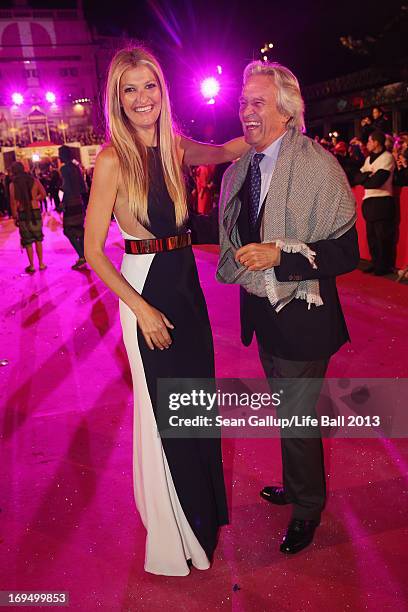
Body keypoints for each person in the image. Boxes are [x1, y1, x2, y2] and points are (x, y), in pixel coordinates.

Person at [84, 46, 249, 576]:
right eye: (129, 89)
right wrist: (143, 311)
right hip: (145, 290)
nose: (141, 98)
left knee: (195, 406)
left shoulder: (176, 147)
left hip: (185, 288)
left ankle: (199, 520)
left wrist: (274, 122)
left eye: (148, 86)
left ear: (162, 90)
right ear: (117, 98)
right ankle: (174, 535)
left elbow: (225, 149)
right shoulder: (112, 158)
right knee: (165, 416)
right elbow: (92, 251)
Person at [216, 61, 359, 555]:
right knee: (288, 414)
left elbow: (346, 252)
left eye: (257, 102)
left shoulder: (318, 167)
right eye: (243, 102)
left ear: (286, 109)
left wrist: (282, 256)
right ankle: (299, 489)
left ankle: (307, 509)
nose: (246, 111)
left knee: (297, 419)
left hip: (303, 316)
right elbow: (235, 235)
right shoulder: (241, 170)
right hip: (264, 311)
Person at [354, 130, 396, 275]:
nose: (367, 144)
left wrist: (367, 177)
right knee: (371, 236)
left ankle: (384, 265)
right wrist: (368, 176)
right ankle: (376, 262)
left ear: (376, 142)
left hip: (382, 200)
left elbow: (377, 181)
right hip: (369, 201)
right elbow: (357, 178)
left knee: (382, 236)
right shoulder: (368, 159)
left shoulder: (387, 157)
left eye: (369, 141)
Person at [9, 162, 47, 274]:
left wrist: (15, 216)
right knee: (38, 239)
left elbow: (13, 202)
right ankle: (41, 264)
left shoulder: (13, 184)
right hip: (35, 211)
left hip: (23, 213)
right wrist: (34, 198)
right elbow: (44, 194)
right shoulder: (34, 180)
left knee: (28, 240)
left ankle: (31, 266)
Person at [59, 145, 87, 269]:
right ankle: (84, 255)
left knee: (68, 230)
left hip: (70, 203)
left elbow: (66, 188)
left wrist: (62, 203)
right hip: (79, 202)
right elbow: (83, 187)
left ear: (63, 155)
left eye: (60, 154)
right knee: (79, 230)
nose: (58, 156)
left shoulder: (65, 169)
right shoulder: (76, 167)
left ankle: (82, 255)